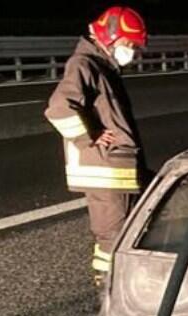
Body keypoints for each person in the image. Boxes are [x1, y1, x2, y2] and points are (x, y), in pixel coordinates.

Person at [44, 6, 149, 282]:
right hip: (104, 173)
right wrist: (89, 136)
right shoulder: (84, 65)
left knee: (128, 233)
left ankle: (122, 289)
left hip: (117, 171)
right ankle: (109, 297)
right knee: (112, 240)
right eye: (128, 44)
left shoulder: (103, 67)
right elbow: (59, 108)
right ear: (110, 36)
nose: (132, 52)